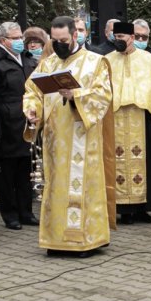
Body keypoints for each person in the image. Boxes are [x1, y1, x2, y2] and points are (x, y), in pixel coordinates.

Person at [23, 16, 115, 256]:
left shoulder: (96, 62)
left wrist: (77, 95)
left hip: (82, 139)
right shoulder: (48, 63)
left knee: (83, 187)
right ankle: (55, 239)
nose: (59, 44)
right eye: (54, 40)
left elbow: (103, 96)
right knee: (55, 187)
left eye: (63, 39)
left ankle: (86, 240)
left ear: (75, 35)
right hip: (54, 139)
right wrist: (32, 111)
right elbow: (33, 91)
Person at [106, 21, 151, 224]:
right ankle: (123, 209)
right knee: (118, 160)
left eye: (122, 37)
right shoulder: (106, 60)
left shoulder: (148, 59)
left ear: (132, 38)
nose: (118, 40)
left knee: (144, 161)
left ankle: (142, 208)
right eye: (116, 36)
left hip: (141, 115)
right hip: (116, 117)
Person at [0, 21, 39, 231]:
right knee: (7, 175)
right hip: (6, 125)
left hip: (27, 123)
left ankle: (26, 212)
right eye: (15, 38)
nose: (20, 41)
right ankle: (10, 214)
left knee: (26, 172)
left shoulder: (27, 58)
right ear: (3, 41)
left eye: (20, 37)